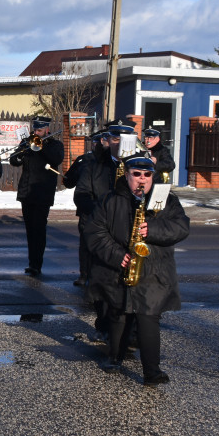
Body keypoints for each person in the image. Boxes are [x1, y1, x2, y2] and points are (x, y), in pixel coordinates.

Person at [86, 154, 189, 385]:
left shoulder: (167, 200)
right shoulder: (109, 200)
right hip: (119, 269)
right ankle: (114, 358)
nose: (142, 179)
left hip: (154, 271)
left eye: (147, 175)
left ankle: (152, 372)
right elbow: (94, 233)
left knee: (148, 319)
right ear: (127, 175)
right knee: (118, 315)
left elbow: (181, 228)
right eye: (136, 174)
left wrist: (151, 229)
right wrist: (116, 255)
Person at [74, 122, 131, 333]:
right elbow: (81, 195)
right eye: (116, 139)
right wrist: (101, 213)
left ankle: (127, 331)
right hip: (102, 229)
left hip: (128, 232)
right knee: (102, 282)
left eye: (126, 139)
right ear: (109, 141)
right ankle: (105, 324)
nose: (121, 144)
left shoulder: (140, 166)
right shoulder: (94, 165)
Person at [8, 116, 65, 276]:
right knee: (29, 229)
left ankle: (36, 264)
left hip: (42, 193)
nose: (36, 133)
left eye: (39, 130)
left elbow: (57, 159)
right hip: (26, 192)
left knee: (39, 229)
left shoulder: (55, 144)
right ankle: (31, 262)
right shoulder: (28, 142)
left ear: (47, 129)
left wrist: (41, 147)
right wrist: (21, 152)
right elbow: (14, 161)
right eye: (35, 130)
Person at [64, 129, 105, 287]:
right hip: (87, 207)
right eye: (95, 142)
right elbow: (69, 182)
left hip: (102, 208)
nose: (97, 145)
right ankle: (84, 274)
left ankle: (93, 275)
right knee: (86, 244)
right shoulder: (84, 160)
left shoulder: (106, 162)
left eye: (99, 142)